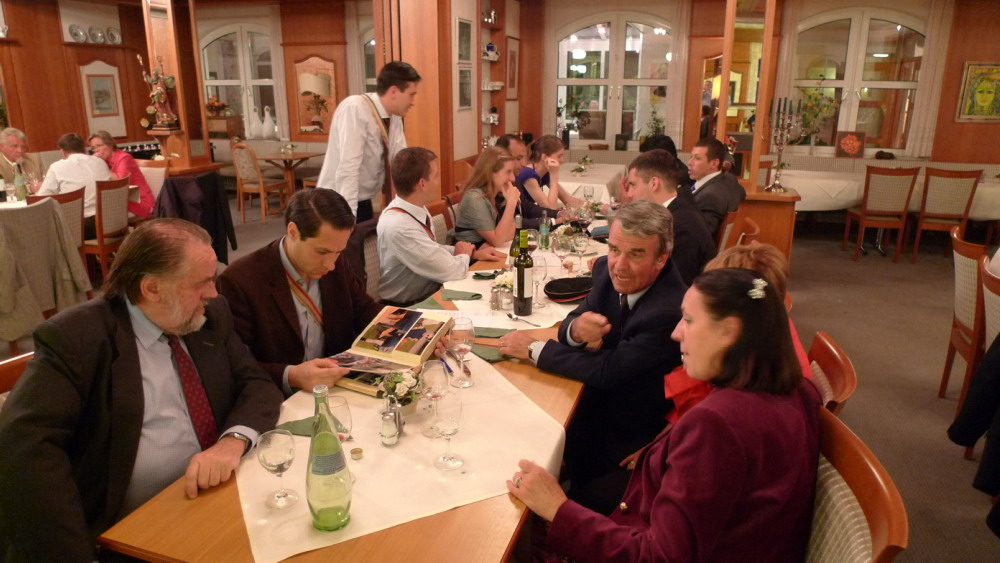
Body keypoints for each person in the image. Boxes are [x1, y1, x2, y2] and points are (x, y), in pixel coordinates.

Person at [0, 219, 283, 562]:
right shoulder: (78, 338)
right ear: (152, 288)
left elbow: (256, 383)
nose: (213, 293)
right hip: (126, 529)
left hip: (217, 496)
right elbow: (23, 447)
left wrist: (231, 443)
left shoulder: (207, 316)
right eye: (202, 283)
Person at [506, 267, 822, 562]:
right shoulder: (797, 389)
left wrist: (558, 508)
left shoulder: (718, 424)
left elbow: (660, 557)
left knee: (515, 535)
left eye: (689, 320)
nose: (676, 333)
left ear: (729, 331)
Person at [498, 201, 686, 496]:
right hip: (594, 401)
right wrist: (576, 331)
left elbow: (608, 370)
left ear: (661, 259)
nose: (619, 265)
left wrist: (535, 349)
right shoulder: (606, 272)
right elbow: (573, 321)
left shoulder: (669, 310)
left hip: (630, 431)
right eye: (614, 249)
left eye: (636, 254)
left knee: (529, 436)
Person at [217, 189, 383, 396]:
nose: (330, 265)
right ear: (293, 232)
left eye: (338, 252)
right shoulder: (241, 280)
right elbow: (236, 363)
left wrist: (409, 328)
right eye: (321, 252)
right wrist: (292, 375)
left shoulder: (336, 261)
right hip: (277, 396)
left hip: (335, 386)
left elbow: (364, 309)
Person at [378, 147, 502, 305]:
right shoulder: (399, 226)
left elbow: (430, 249)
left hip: (431, 292)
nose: (438, 182)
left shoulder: (416, 209)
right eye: (436, 176)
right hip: (410, 306)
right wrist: (463, 255)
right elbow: (453, 272)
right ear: (422, 184)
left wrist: (473, 254)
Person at [316, 61, 421, 221]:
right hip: (337, 202)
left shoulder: (394, 117)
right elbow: (348, 168)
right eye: (411, 94)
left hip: (362, 199)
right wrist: (348, 219)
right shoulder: (355, 108)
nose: (413, 102)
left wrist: (411, 208)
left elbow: (400, 162)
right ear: (394, 91)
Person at [624, 149, 715, 285]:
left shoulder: (679, 227)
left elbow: (673, 285)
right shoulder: (678, 208)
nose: (629, 194)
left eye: (633, 185)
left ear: (654, 183)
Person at [35, 133, 114, 239]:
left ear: (63, 152)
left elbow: (42, 197)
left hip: (82, 229)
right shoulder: (100, 162)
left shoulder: (57, 167)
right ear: (84, 149)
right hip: (110, 222)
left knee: (45, 230)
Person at [453, 146, 521, 248]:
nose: (513, 178)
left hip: (491, 252)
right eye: (508, 172)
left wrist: (497, 239)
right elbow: (498, 240)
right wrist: (511, 203)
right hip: (471, 256)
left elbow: (512, 231)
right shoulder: (474, 199)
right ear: (490, 173)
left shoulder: (497, 194)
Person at [89, 130, 155, 219]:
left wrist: (100, 166)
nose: (96, 150)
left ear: (110, 144)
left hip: (139, 203)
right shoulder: (104, 161)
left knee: (103, 217)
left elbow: (121, 183)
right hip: (120, 201)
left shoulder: (124, 158)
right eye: (93, 148)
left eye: (99, 146)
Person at [688, 137, 746, 239]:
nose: (689, 162)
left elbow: (700, 238)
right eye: (691, 157)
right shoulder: (730, 180)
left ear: (714, 163)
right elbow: (743, 194)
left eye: (697, 158)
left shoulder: (709, 197)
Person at [516, 135, 582, 212]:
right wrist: (554, 175)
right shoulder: (528, 175)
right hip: (520, 216)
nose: (562, 160)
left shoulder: (545, 172)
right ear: (544, 157)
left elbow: (567, 199)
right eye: (559, 156)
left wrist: (592, 205)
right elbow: (550, 209)